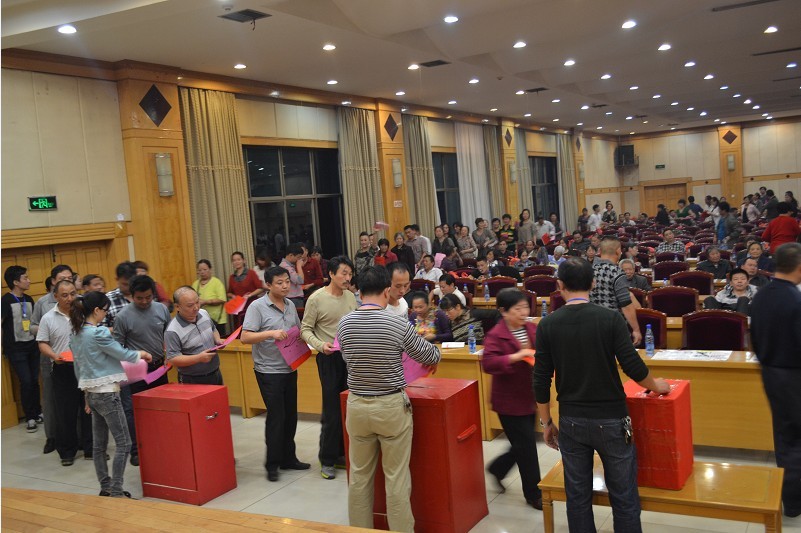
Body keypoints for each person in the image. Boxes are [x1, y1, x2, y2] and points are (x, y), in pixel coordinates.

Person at [534, 258, 670, 531]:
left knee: (577, 497)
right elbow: (633, 367)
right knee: (624, 496)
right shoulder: (610, 318)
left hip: (571, 420)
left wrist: (546, 422)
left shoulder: (548, 324)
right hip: (612, 419)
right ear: (593, 283)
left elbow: (540, 379)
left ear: (559, 285)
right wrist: (658, 385)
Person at [337, 266, 442, 532]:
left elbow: (347, 357)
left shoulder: (344, 323)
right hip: (390, 406)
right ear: (387, 291)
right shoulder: (396, 323)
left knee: (359, 477)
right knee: (396, 478)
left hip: (357, 405)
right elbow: (430, 356)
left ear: (360, 292)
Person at [69, 290, 152, 498]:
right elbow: (121, 353)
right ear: (97, 310)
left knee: (99, 445)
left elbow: (78, 369)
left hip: (92, 394)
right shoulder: (98, 333)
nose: (106, 314)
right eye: (105, 311)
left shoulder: (76, 334)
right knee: (124, 443)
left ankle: (105, 486)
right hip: (107, 394)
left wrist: (86, 396)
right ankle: (116, 489)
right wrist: (141, 354)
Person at [241, 266, 310, 482]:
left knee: (290, 416)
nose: (285, 286)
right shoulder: (257, 307)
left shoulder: (290, 305)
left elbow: (296, 332)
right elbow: (245, 337)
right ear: (268, 285)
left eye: (287, 281)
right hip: (268, 370)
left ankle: (288, 458)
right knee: (276, 417)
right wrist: (270, 333)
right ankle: (272, 464)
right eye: (280, 283)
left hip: (289, 367)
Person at [749, 242, 801, 518]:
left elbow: (754, 338)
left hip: (769, 371)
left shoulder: (761, 296)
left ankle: (789, 497)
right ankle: (794, 501)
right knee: (796, 439)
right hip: (793, 375)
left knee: (784, 435)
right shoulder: (795, 299)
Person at [483, 288, 542, 509]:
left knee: (521, 444)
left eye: (525, 307)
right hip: (507, 401)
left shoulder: (531, 328)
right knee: (527, 447)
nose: (524, 312)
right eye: (517, 309)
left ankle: (497, 468)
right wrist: (516, 356)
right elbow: (488, 363)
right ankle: (534, 494)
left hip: (529, 395)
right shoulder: (495, 334)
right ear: (503, 311)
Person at [300, 256, 358, 480]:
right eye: (343, 273)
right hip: (329, 357)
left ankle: (342, 453)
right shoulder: (316, 299)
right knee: (332, 410)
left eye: (350, 274)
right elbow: (305, 330)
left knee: (349, 407)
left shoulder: (351, 296)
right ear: (331, 274)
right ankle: (327, 459)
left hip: (350, 357)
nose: (347, 277)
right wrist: (319, 345)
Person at [112, 275, 171, 466]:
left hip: (159, 367)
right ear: (132, 295)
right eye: (140, 298)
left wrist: (168, 353)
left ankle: (162, 444)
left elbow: (168, 335)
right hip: (136, 370)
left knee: (162, 407)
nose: (145, 302)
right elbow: (117, 348)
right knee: (135, 411)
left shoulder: (161, 309)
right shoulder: (123, 316)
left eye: (148, 297)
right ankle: (137, 450)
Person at [36, 279, 92, 465]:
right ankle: (67, 452)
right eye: (65, 295)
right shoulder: (48, 318)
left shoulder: (84, 312)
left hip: (86, 366)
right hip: (63, 368)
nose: (70, 298)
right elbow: (42, 343)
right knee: (65, 412)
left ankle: (91, 448)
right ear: (56, 297)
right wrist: (54, 355)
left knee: (90, 409)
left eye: (73, 294)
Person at [31, 264, 75, 452]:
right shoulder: (43, 303)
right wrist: (46, 329)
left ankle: (80, 440)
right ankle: (52, 438)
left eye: (70, 278)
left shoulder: (78, 303)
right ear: (53, 282)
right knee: (52, 400)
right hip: (52, 356)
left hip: (76, 360)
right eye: (62, 279)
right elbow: (32, 326)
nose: (67, 281)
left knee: (79, 402)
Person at [2, 266, 42, 433]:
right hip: (16, 349)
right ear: (15, 282)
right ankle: (30, 417)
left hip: (32, 345)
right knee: (25, 381)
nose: (29, 281)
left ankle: (38, 411)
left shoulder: (29, 299)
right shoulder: (5, 301)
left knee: (34, 380)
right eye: (25, 278)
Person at [589, 238, 642, 345]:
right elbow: (626, 304)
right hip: (613, 327)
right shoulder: (617, 273)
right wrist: (636, 329)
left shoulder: (589, 271)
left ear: (600, 251)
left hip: (592, 326)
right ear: (618, 251)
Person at [165, 286, 223, 384]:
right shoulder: (172, 330)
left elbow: (213, 329)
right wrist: (198, 358)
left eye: (197, 302)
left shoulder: (204, 313)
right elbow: (173, 359)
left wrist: (218, 340)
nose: (196, 308)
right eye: (190, 305)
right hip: (192, 379)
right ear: (177, 307)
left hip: (215, 372)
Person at [192, 259, 227, 336]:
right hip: (201, 320)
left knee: (219, 340)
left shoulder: (217, 282)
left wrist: (205, 302)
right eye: (200, 270)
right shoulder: (195, 284)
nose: (202, 272)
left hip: (217, 320)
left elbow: (222, 299)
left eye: (205, 269)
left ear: (210, 269)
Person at [279, 243, 308, 308]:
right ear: (291, 255)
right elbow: (300, 280)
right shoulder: (285, 266)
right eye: (298, 257)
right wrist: (299, 266)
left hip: (294, 298)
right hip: (292, 298)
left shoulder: (291, 265)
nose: (300, 260)